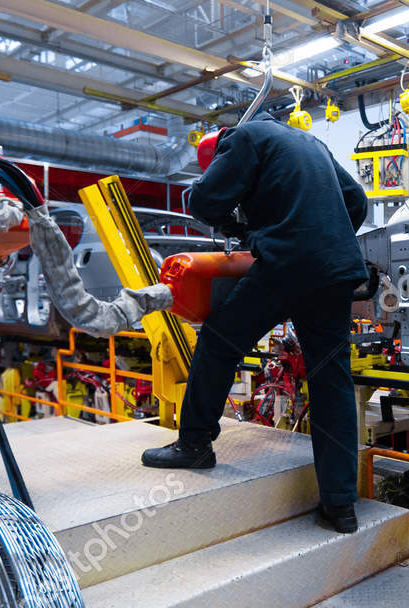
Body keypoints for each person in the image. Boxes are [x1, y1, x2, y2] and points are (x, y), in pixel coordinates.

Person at [142, 114, 370, 534]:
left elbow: (205, 202)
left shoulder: (243, 138)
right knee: (331, 379)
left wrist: (241, 226)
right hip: (337, 269)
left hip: (287, 264)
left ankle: (194, 445)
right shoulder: (309, 142)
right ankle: (340, 507)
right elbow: (357, 201)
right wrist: (322, 240)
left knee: (219, 340)